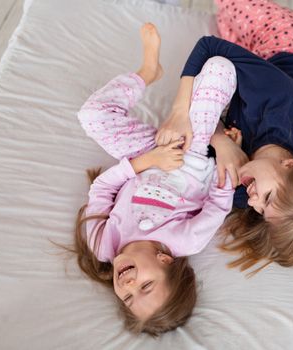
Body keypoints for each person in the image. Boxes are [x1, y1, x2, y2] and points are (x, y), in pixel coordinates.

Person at [156, 0, 293, 273]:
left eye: (263, 213)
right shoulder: (278, 101)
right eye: (266, 197)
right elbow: (208, 46)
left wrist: (219, 140)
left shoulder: (254, 189)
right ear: (290, 164)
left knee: (230, 31)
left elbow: (197, 160)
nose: (253, 201)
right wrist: (179, 112)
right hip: (292, 48)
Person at [73, 24, 237, 335]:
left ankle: (147, 72)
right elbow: (218, 206)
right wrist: (225, 152)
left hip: (144, 155)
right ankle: (213, 120)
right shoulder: (185, 240)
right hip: (192, 155)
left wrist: (147, 161)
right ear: (164, 260)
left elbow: (103, 187)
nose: (128, 285)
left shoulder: (104, 245)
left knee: (92, 116)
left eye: (128, 298)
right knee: (220, 68)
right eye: (146, 286)